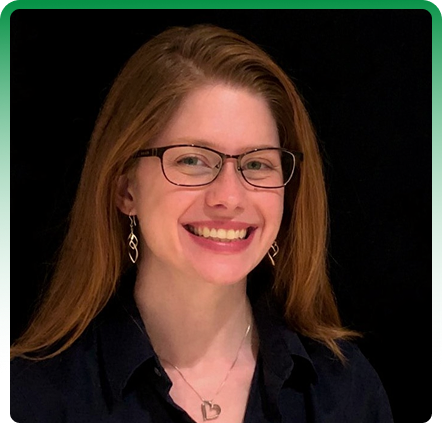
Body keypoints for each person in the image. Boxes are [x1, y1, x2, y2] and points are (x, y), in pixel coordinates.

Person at [10, 24, 393, 424]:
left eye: (257, 163)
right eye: (192, 160)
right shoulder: (33, 400)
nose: (229, 197)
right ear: (126, 190)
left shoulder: (345, 392)